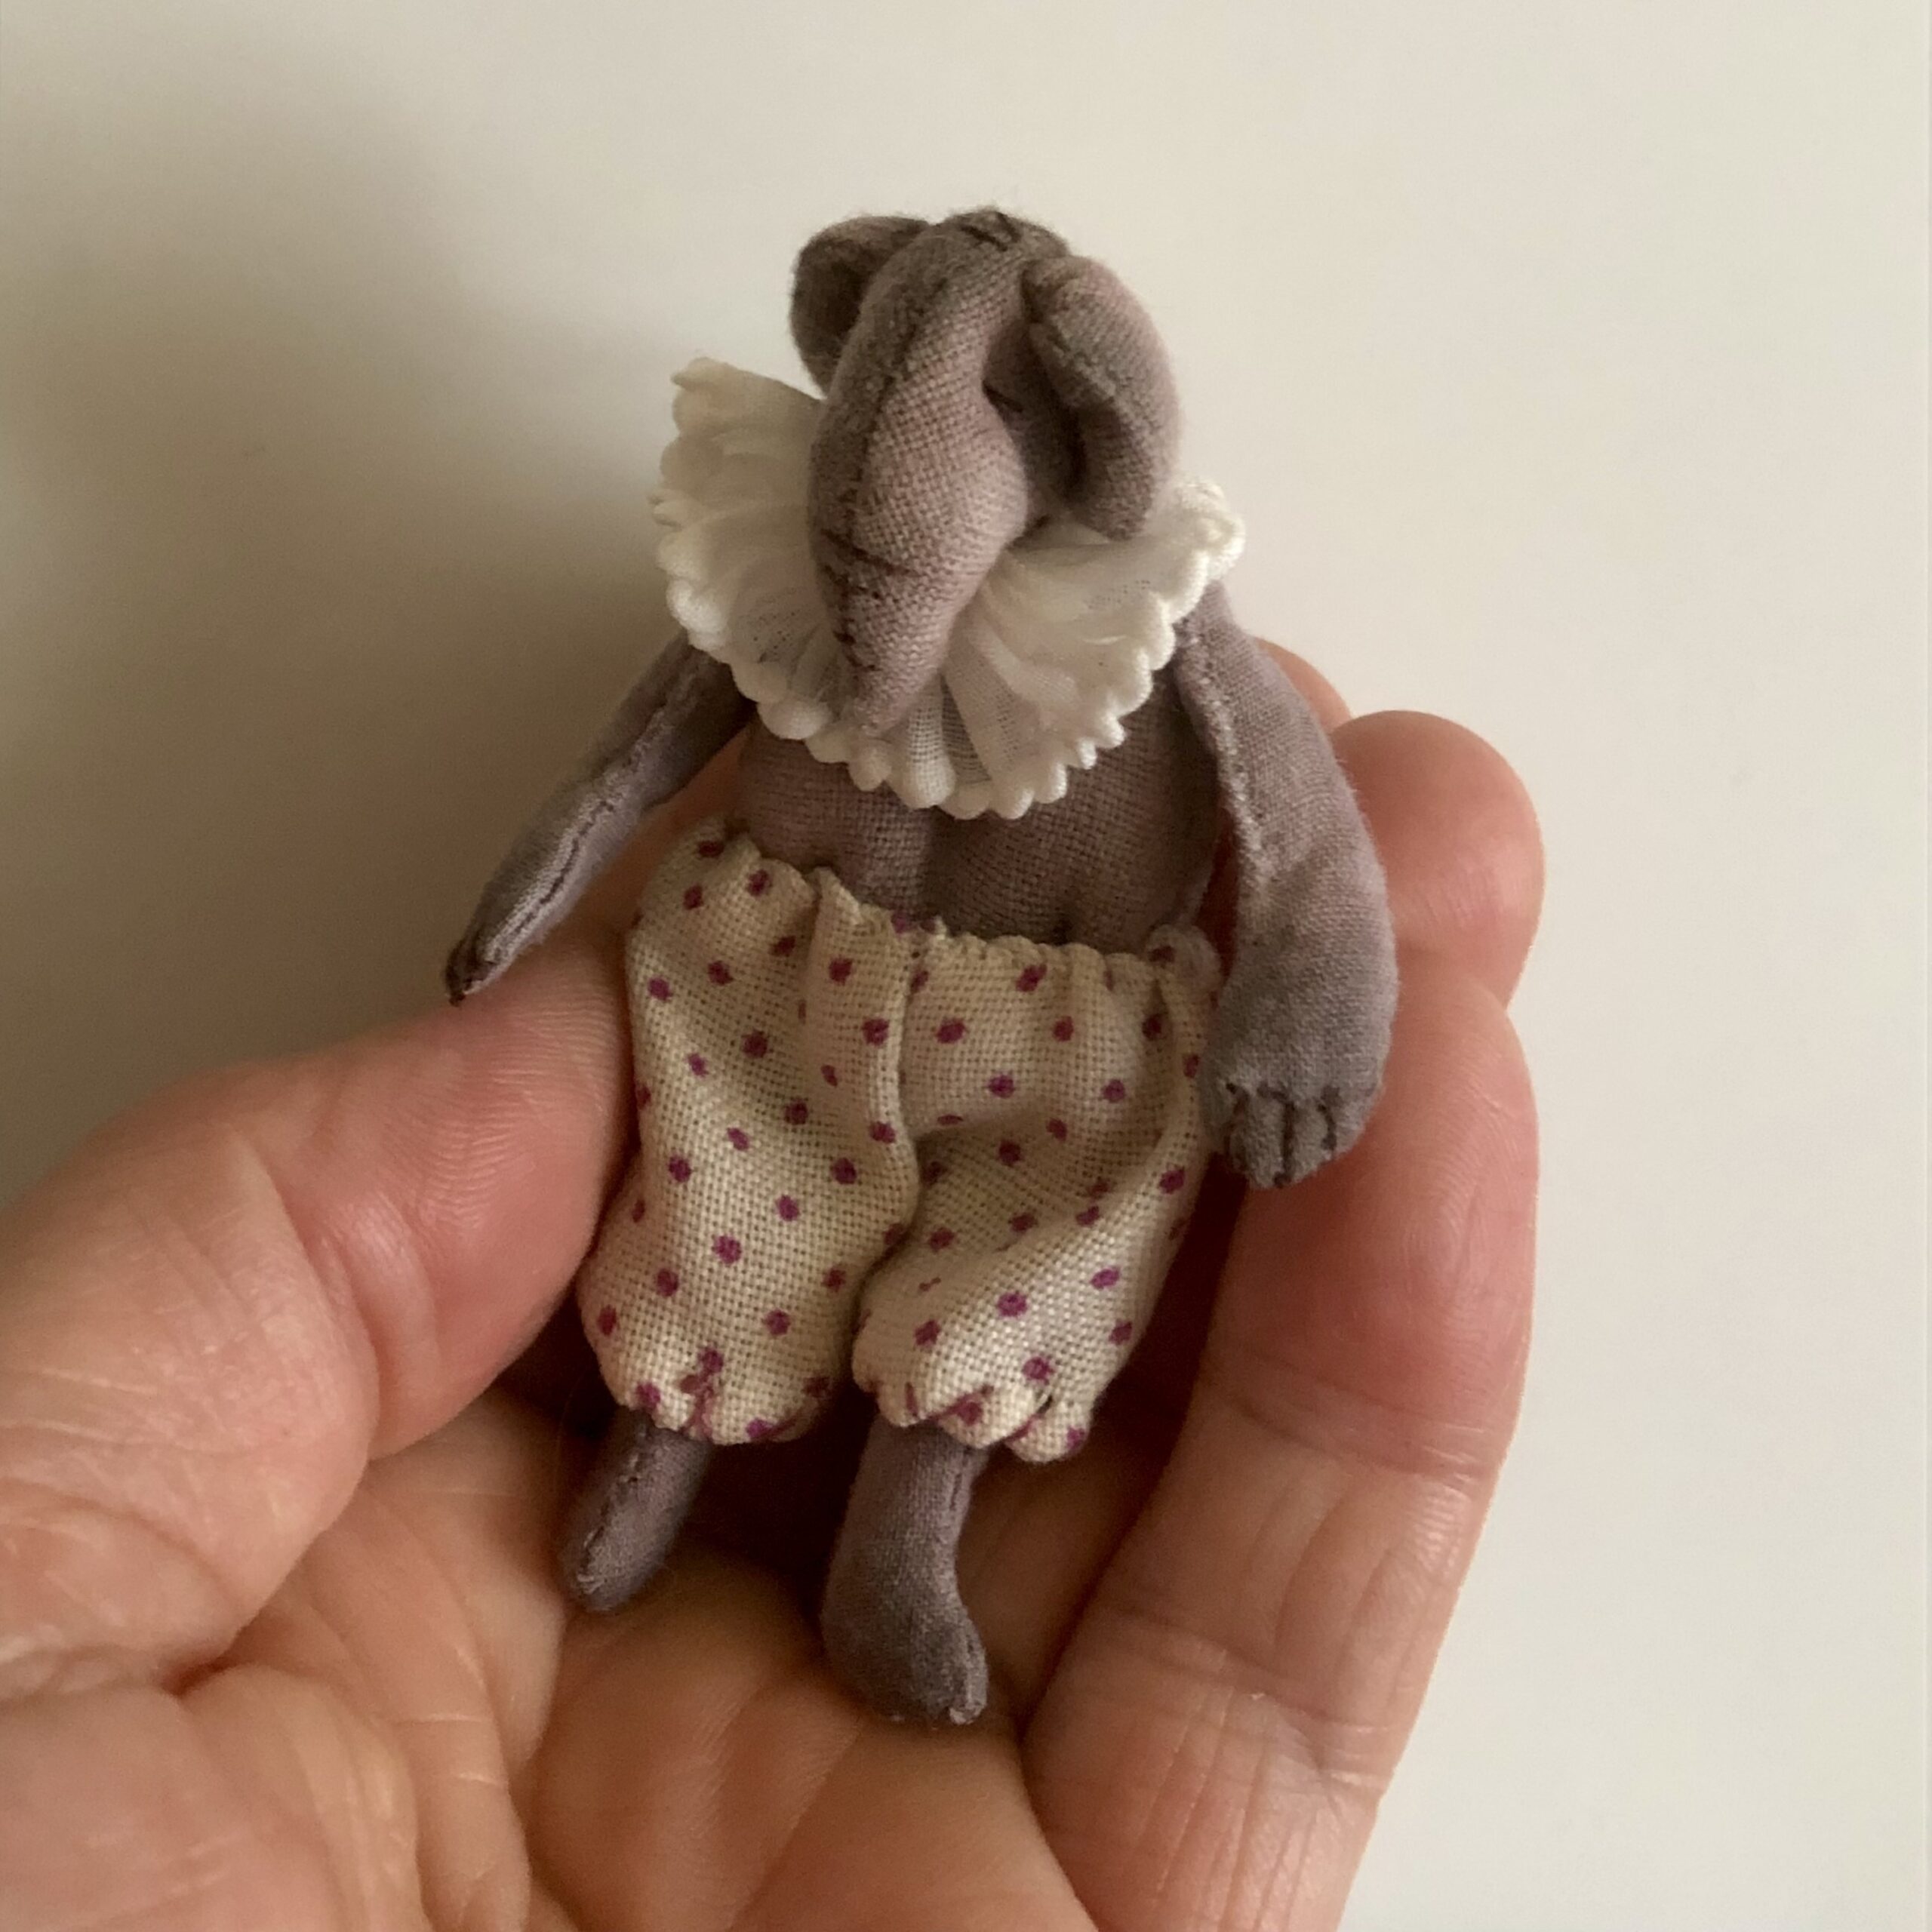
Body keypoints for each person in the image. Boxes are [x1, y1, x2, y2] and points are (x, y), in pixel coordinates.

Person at [0, 656, 1540, 1930]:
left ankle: (905, 1537)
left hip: (1062, 1025)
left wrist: (1308, 1011)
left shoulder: (1159, 628)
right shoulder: (787, 584)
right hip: (785, 960)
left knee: (1030, 1260)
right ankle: (653, 1459)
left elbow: (1297, 827)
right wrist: (535, 889)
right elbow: (648, 743)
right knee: (720, 1191)